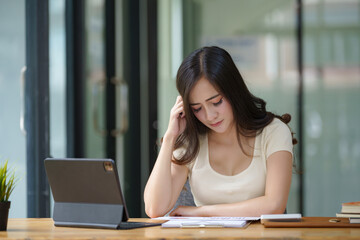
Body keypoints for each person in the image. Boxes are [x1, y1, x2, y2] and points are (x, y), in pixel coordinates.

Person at [144, 46, 296, 218]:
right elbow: (154, 209)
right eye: (197, 108)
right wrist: (170, 138)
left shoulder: (273, 132)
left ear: (234, 91)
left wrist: (202, 212)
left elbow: (274, 205)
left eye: (216, 102)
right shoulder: (191, 142)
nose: (209, 116)